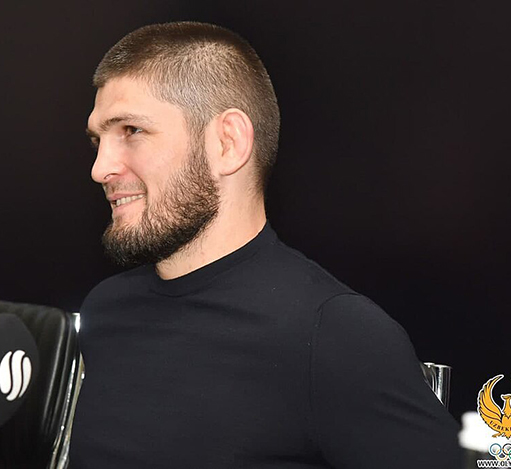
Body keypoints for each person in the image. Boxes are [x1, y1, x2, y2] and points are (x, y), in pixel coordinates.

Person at [70, 21, 462, 469]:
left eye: (132, 130)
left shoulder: (335, 336)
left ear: (228, 143)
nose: (100, 168)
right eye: (98, 139)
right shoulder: (106, 309)